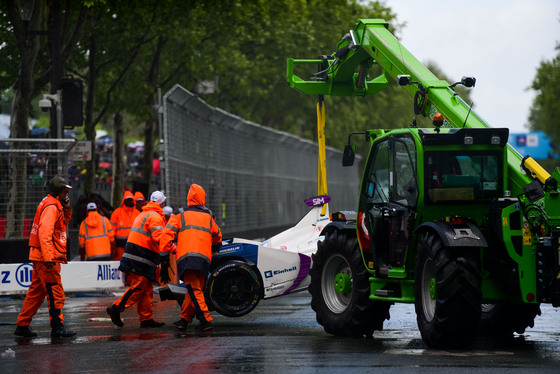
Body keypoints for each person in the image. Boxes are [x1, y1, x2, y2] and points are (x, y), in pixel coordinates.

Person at [14, 175, 76, 338]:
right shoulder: (51, 206)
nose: (67, 193)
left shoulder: (51, 204)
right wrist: (49, 257)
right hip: (46, 258)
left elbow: (61, 224)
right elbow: (45, 233)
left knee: (36, 293)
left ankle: (22, 325)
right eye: (65, 190)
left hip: (40, 257)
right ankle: (57, 327)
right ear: (60, 191)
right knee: (56, 292)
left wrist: (67, 208)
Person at [160, 184, 222, 332]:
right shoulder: (208, 215)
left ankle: (206, 320)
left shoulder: (179, 214)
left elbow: (166, 234)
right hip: (204, 258)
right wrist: (214, 247)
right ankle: (184, 319)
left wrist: (163, 257)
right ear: (202, 198)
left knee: (194, 289)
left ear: (189, 198)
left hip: (187, 257)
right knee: (194, 289)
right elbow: (218, 235)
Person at [106, 191, 171, 328]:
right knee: (139, 286)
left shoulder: (144, 214)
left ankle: (146, 319)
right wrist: (174, 247)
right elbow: (160, 238)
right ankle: (116, 308)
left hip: (139, 256)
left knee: (146, 288)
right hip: (140, 257)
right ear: (162, 203)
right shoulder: (154, 217)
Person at [110, 191, 140, 261]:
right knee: (119, 263)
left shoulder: (137, 213)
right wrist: (113, 246)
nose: (129, 201)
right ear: (124, 200)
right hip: (120, 246)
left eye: (130, 200)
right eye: (127, 199)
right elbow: (112, 230)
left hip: (134, 245)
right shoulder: (117, 213)